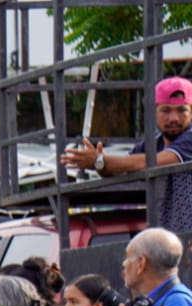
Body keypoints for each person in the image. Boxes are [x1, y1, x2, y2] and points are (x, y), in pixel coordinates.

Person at [62, 76, 192, 234]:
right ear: (154, 112)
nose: (174, 118)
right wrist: (99, 163)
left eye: (182, 110)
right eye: (166, 110)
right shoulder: (154, 142)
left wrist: (100, 161)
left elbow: (152, 162)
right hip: (168, 237)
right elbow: (120, 168)